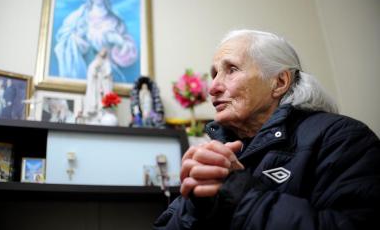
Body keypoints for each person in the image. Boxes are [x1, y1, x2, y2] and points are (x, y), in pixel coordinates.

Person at [153, 29, 380, 229]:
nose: (212, 88)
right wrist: (196, 205)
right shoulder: (221, 151)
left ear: (280, 82)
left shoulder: (342, 137)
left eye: (231, 69)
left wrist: (238, 194)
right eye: (214, 74)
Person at [54, 0, 137, 81]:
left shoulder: (115, 18)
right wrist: (76, 38)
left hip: (106, 65)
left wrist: (119, 41)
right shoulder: (81, 13)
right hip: (86, 61)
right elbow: (64, 32)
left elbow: (124, 42)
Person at [83, 47, 113, 121]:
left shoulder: (107, 63)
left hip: (103, 85)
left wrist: (105, 75)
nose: (103, 54)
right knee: (95, 97)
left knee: (103, 99)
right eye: (102, 52)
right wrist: (95, 71)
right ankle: (94, 111)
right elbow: (92, 71)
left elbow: (108, 73)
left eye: (105, 53)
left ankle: (102, 112)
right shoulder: (94, 63)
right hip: (95, 85)